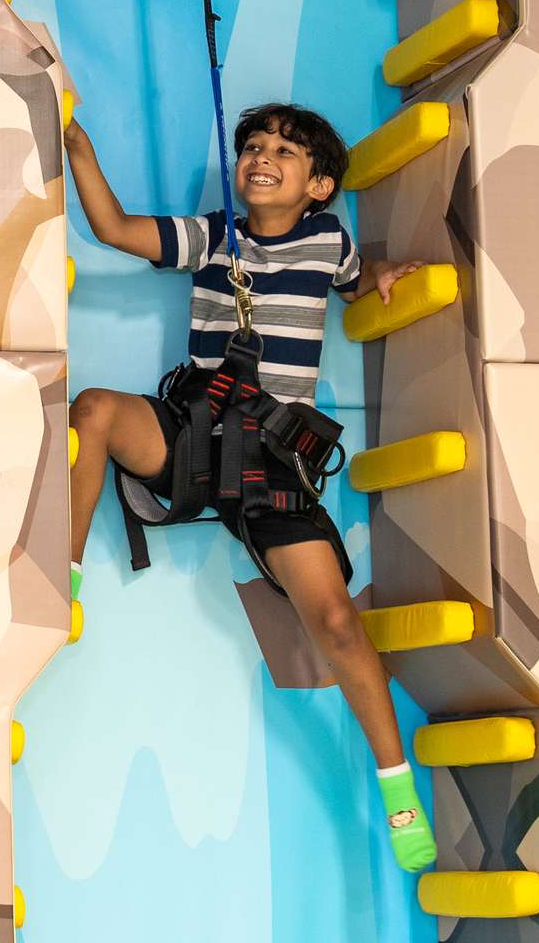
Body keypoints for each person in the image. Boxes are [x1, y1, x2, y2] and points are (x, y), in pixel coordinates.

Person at [62, 101, 437, 873]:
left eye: (286, 153)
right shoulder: (210, 235)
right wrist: (78, 146)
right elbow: (114, 228)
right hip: (193, 438)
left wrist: (383, 277)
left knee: (336, 621)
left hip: (274, 463)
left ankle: (398, 790)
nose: (262, 157)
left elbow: (358, 279)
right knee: (94, 410)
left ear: (319, 185)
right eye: (254, 146)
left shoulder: (329, 240)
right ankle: (56, 579)